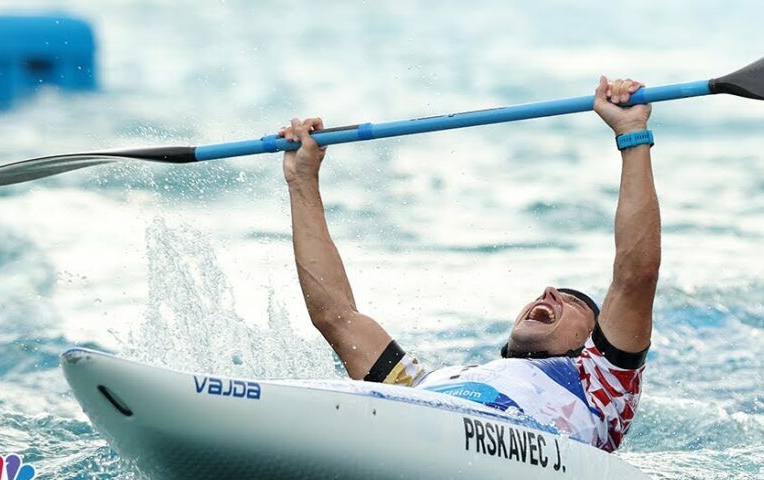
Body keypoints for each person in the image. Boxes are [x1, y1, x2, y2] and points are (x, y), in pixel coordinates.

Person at [279, 76, 659, 453]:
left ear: (591, 343)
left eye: (572, 302)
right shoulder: (418, 383)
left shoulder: (601, 383)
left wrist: (631, 133)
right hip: (411, 438)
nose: (547, 294)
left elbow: (634, 275)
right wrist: (302, 179)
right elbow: (336, 315)